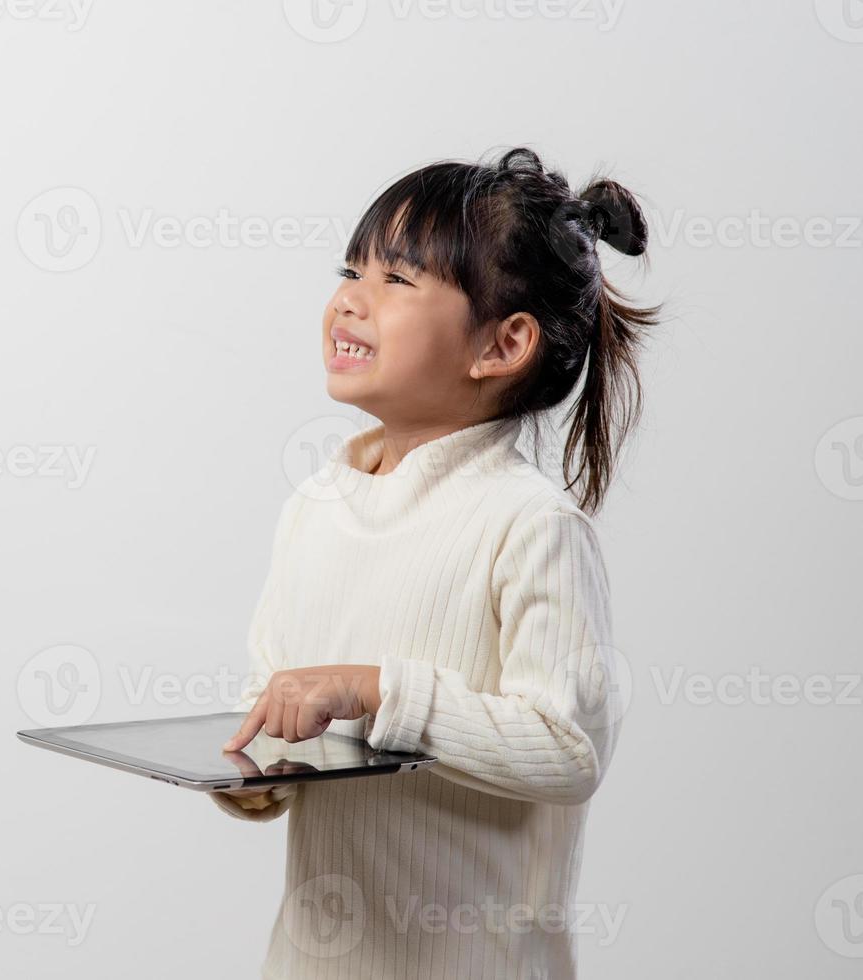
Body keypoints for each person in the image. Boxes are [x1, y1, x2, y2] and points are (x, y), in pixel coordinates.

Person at [213, 146, 660, 980]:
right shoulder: (314, 507)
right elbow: (273, 700)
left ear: (501, 345)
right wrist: (254, 774)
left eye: (396, 281)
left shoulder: (530, 525)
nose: (350, 299)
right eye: (352, 270)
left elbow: (567, 752)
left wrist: (382, 691)